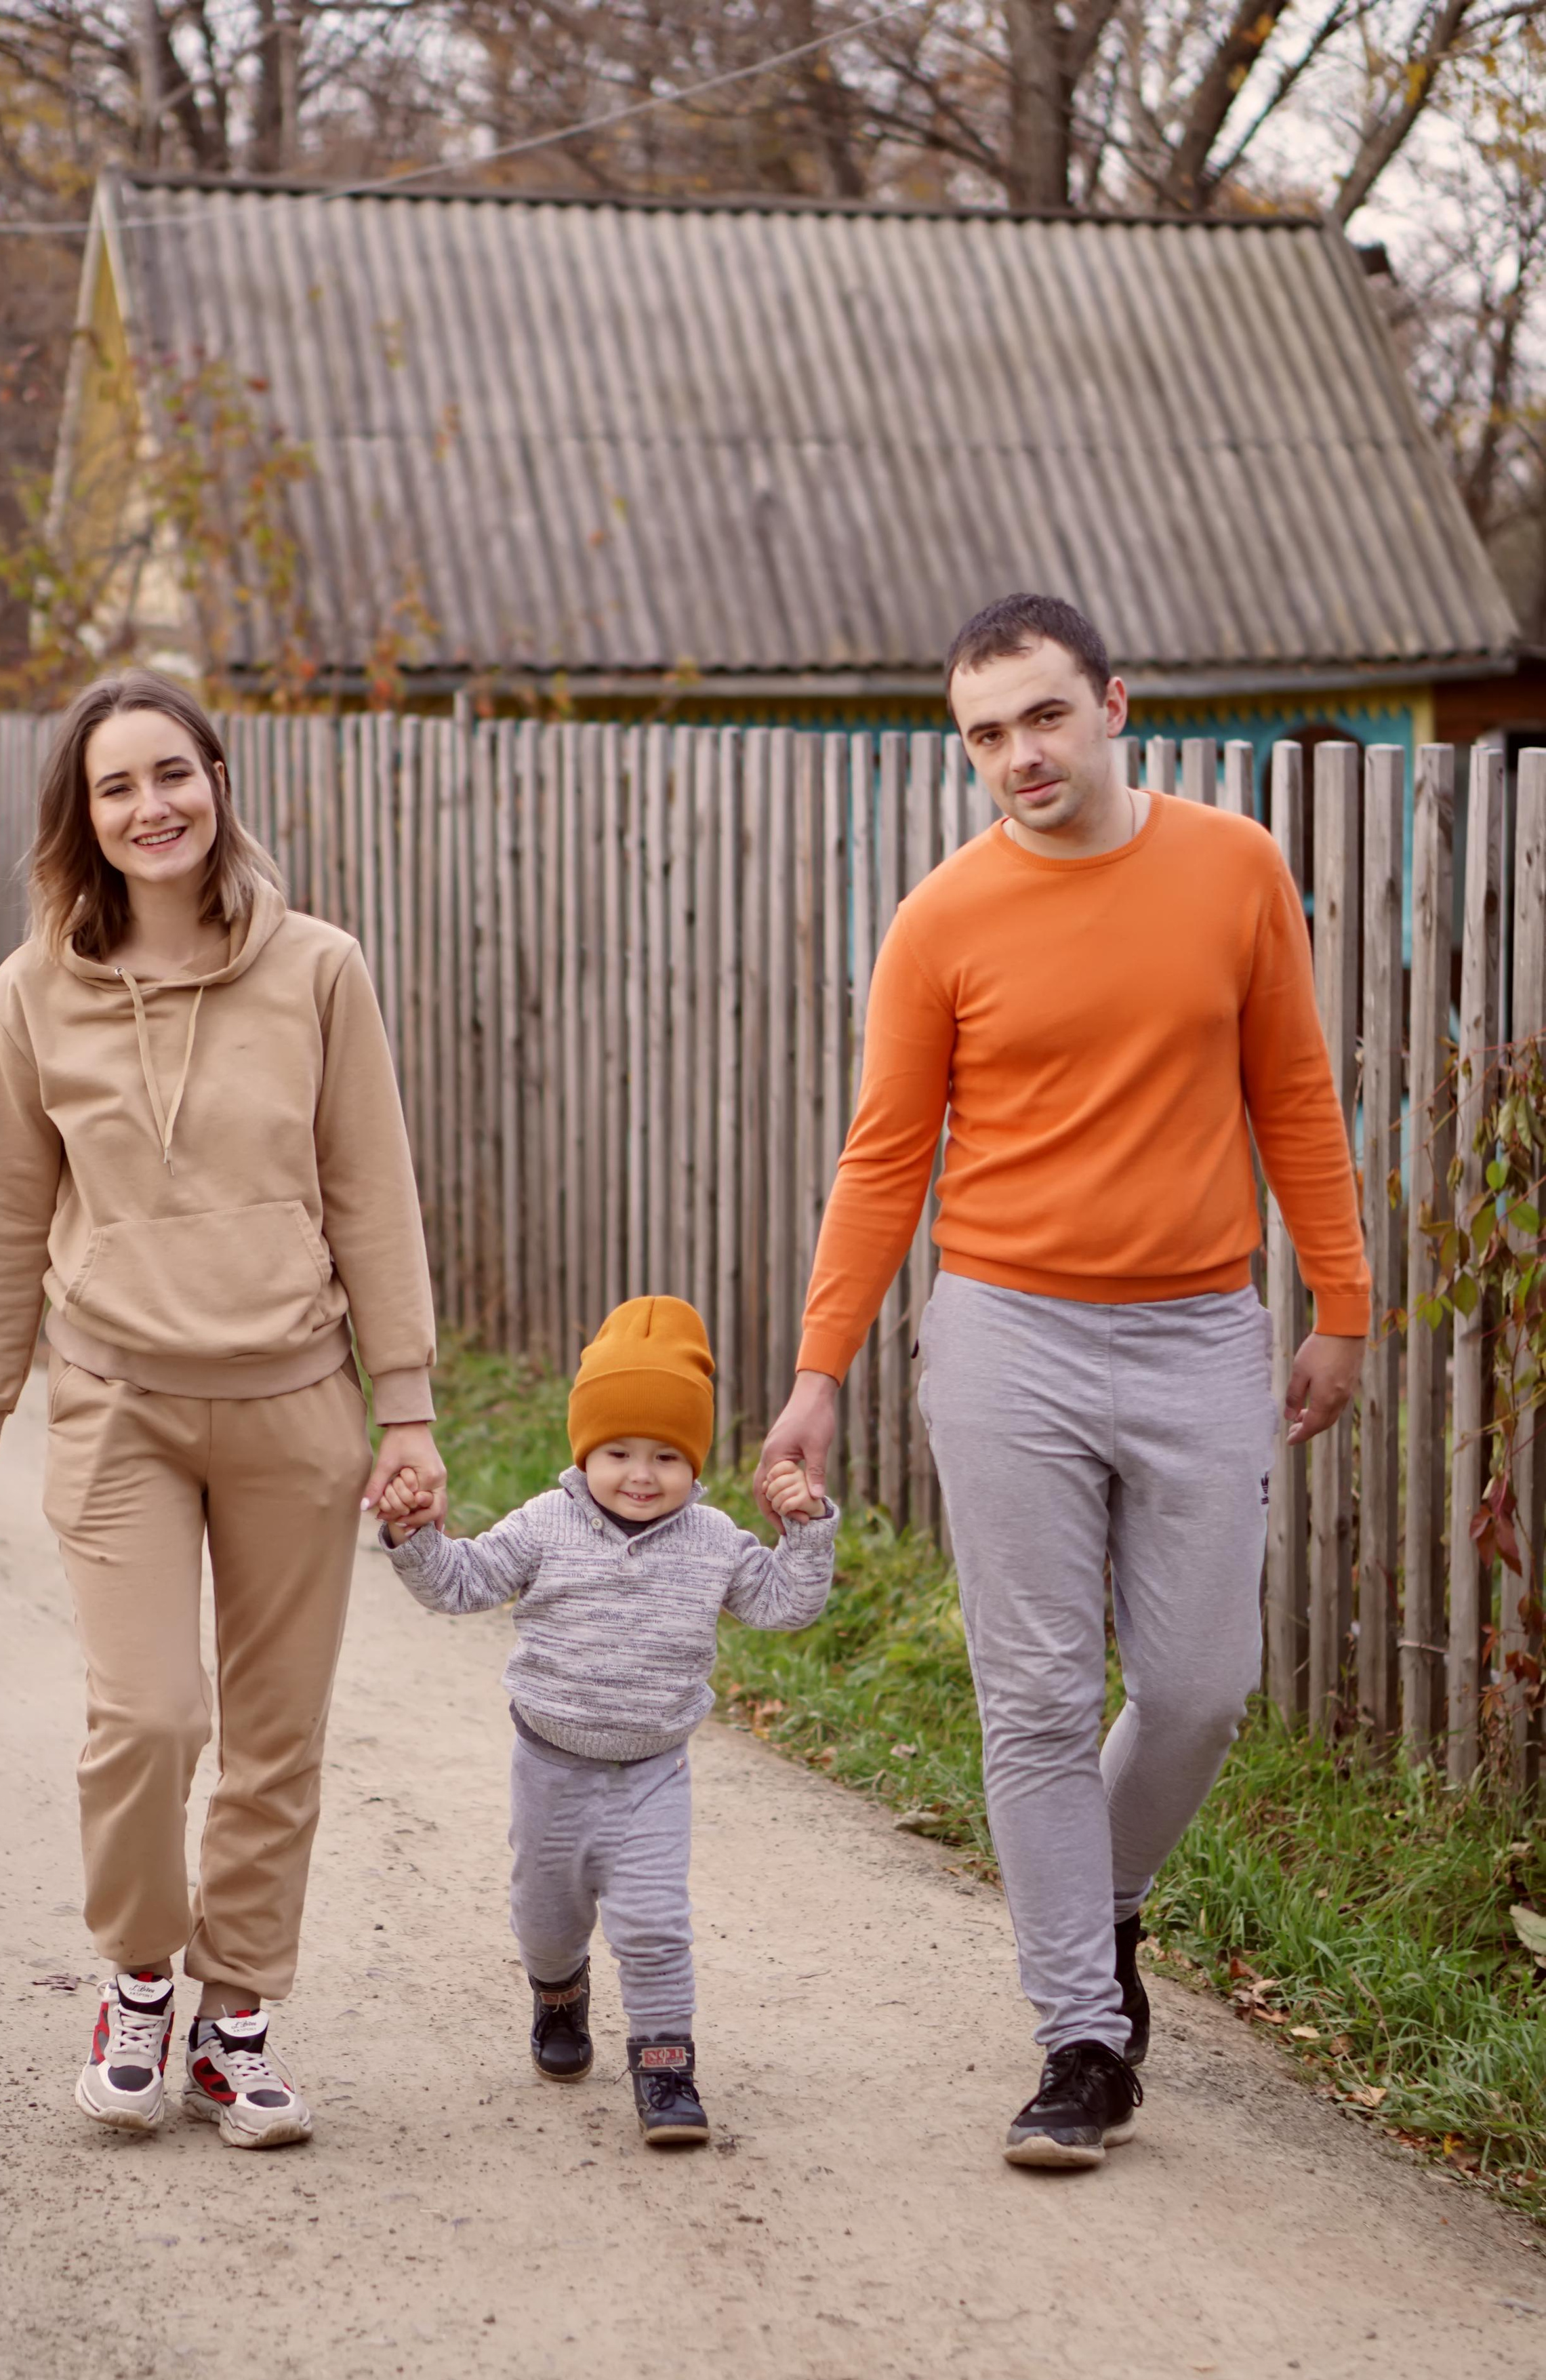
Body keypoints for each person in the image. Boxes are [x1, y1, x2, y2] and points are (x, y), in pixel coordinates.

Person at [755, 594, 1370, 2173]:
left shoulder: (1231, 868)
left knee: (1195, 1684)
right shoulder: (941, 919)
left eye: (1039, 716)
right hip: (1003, 1338)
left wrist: (1340, 1300)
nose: (1016, 755)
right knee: (1030, 1697)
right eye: (982, 732)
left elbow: (1289, 1087)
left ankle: (1097, 1909)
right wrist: (819, 1370)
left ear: (1112, 703)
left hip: (1196, 1331)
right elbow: (884, 1154)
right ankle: (1077, 2040)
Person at [0, 670, 443, 2150]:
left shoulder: (319, 969)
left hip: (294, 1404)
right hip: (117, 1407)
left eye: (174, 774)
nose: (151, 806)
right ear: (81, 821)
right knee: (150, 1718)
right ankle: (142, 1979)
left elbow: (373, 1192)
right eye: (116, 787)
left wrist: (401, 1409)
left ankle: (236, 2022)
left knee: (277, 1737)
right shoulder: (33, 996)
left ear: (216, 781)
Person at [379, 1295, 836, 2146]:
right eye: (618, 1451)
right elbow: (464, 1583)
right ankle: (558, 1996)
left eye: (667, 1455)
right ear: (584, 1449)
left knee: (656, 1925)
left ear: (694, 1463)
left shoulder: (713, 1540)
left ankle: (666, 2071)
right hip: (549, 1767)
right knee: (546, 1922)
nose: (640, 1473)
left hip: (653, 1774)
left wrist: (803, 1532)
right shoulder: (546, 1525)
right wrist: (417, 1538)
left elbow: (783, 1608)